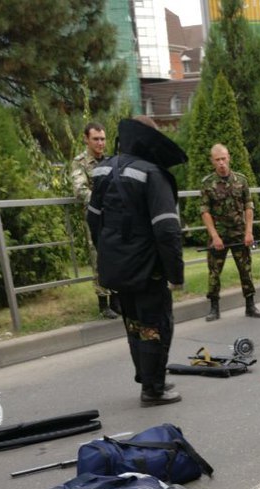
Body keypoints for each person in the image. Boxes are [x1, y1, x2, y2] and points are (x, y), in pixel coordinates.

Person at [88, 116, 185, 407]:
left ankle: (147, 378)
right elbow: (167, 230)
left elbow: (93, 219)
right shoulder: (152, 174)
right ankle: (154, 389)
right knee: (155, 325)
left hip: (117, 268)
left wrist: (109, 253)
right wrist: (175, 274)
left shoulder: (105, 169)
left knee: (133, 324)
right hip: (147, 269)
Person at [199, 144, 260, 322]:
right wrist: (214, 236)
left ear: (229, 158)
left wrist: (249, 232)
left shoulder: (241, 180)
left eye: (223, 158)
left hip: (239, 233)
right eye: (217, 160)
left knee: (245, 270)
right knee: (214, 272)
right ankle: (214, 307)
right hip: (218, 234)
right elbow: (205, 212)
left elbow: (248, 206)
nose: (221, 163)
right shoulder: (207, 183)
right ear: (212, 161)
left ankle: (250, 305)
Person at [70, 122, 118, 320]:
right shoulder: (80, 162)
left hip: (114, 216)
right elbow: (80, 189)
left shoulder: (110, 161)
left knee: (116, 254)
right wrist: (102, 201)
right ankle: (103, 302)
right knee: (98, 257)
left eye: (103, 139)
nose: (100, 143)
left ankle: (117, 299)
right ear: (86, 139)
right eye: (96, 139)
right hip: (95, 218)